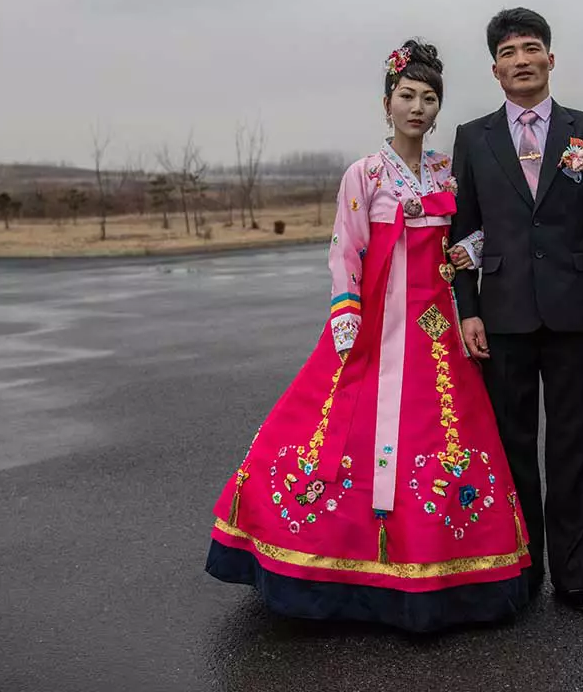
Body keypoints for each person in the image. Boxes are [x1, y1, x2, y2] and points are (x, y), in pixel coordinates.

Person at [204, 39, 532, 633]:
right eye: (407, 96)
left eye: (429, 99)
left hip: (434, 330)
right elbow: (345, 247)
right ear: (387, 105)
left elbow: (475, 236)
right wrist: (346, 308)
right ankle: (328, 567)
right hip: (374, 320)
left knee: (440, 433)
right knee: (333, 423)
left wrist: (468, 251)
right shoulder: (365, 174)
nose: (418, 108)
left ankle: (441, 569)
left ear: (438, 111)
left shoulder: (445, 173)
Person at [448, 8, 583, 613]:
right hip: (500, 317)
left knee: (574, 446)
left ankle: (575, 574)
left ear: (551, 59)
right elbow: (463, 231)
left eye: (532, 48)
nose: (522, 60)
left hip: (573, 312)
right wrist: (468, 309)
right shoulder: (472, 137)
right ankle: (521, 569)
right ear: (495, 69)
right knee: (510, 445)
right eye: (509, 53)